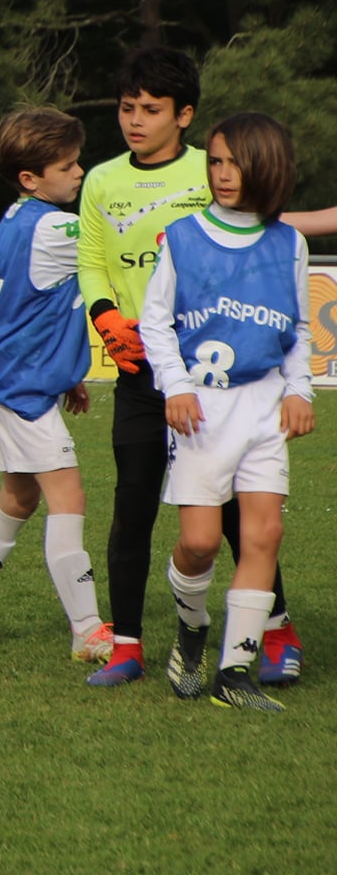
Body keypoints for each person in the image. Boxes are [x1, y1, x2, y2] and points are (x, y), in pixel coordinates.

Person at [77, 47, 300, 687]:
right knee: (134, 504)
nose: (135, 120)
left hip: (218, 380)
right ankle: (127, 645)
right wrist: (103, 315)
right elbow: (92, 260)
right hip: (143, 373)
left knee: (236, 513)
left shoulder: (216, 167)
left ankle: (276, 630)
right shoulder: (102, 181)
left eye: (151, 109)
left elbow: (269, 229)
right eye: (127, 108)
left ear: (185, 115)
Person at [141, 113, 314, 711]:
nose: (222, 173)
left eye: (235, 163)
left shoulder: (289, 243)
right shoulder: (183, 236)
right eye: (215, 161)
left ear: (268, 166)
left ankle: (234, 675)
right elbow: (155, 323)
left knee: (264, 533)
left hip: (264, 404)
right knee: (200, 544)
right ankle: (191, 631)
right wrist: (175, 387)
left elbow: (297, 329)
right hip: (201, 409)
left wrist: (299, 390)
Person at [0, 108, 112, 662]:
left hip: (15, 373)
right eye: (68, 165)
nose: (79, 172)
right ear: (30, 178)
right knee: (68, 497)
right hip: (20, 385)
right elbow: (118, 244)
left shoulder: (17, 216)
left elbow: (38, 303)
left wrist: (66, 373)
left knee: (20, 495)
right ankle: (88, 631)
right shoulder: (55, 228)